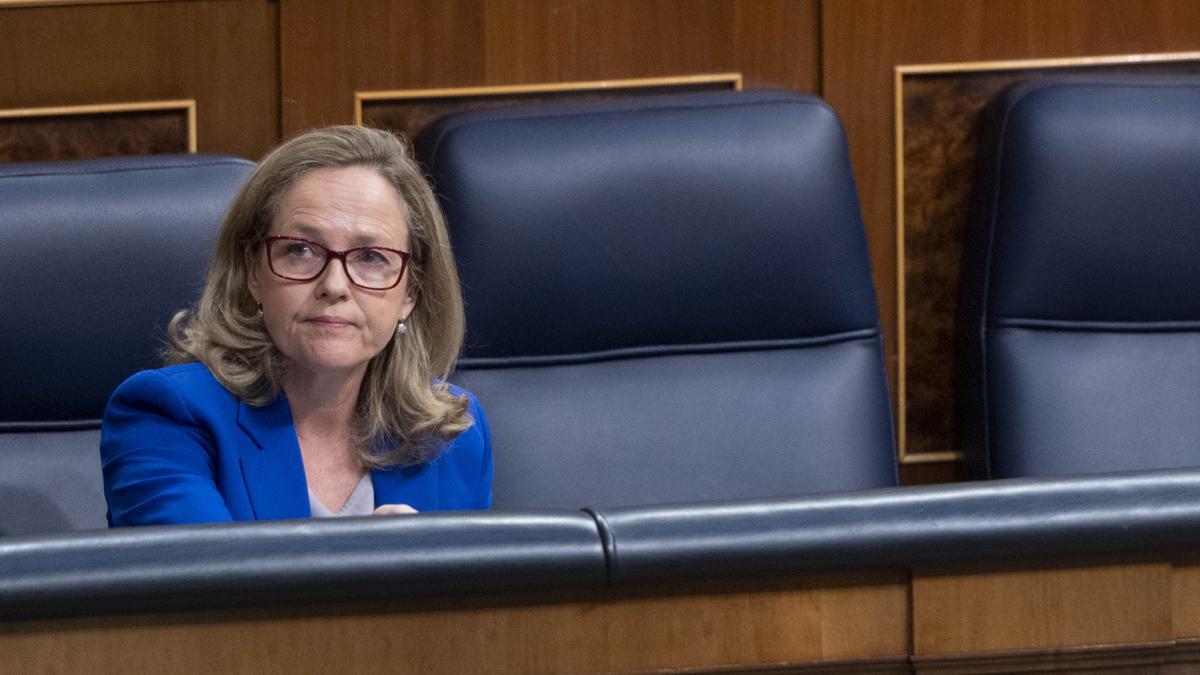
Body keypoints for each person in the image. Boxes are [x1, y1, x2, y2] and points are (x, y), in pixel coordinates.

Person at [100, 126, 492, 526]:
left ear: (410, 293)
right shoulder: (168, 416)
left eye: (372, 257)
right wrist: (374, 564)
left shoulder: (451, 436)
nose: (334, 286)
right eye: (301, 251)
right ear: (254, 272)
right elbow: (205, 582)